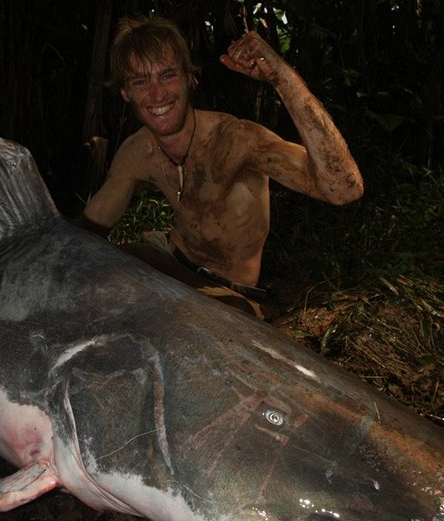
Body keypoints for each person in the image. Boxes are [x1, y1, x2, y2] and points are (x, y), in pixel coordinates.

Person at [77, 17, 363, 316]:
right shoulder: (138, 151)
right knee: (88, 287)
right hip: (164, 259)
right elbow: (85, 235)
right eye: (140, 81)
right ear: (126, 93)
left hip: (227, 293)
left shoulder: (236, 140)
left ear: (190, 78)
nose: (157, 94)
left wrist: (282, 79)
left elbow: (344, 188)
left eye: (168, 75)